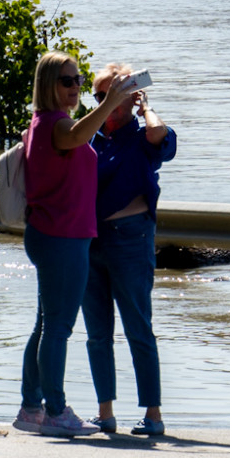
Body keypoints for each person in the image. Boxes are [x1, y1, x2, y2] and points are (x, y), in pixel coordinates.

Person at [15, 51, 125, 438]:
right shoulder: (55, 124)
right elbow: (77, 135)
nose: (76, 87)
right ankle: (55, 410)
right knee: (58, 328)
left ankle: (31, 407)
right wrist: (111, 102)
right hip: (62, 237)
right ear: (48, 85)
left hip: (55, 234)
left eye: (78, 80)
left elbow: (80, 136)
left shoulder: (43, 123)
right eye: (67, 81)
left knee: (46, 325)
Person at [82, 62, 177, 438]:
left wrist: (142, 104)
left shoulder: (142, 138)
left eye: (111, 96)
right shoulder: (91, 138)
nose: (104, 103)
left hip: (131, 238)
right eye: (99, 96)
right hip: (91, 240)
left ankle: (153, 414)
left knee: (138, 326)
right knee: (96, 332)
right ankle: (105, 412)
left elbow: (158, 133)